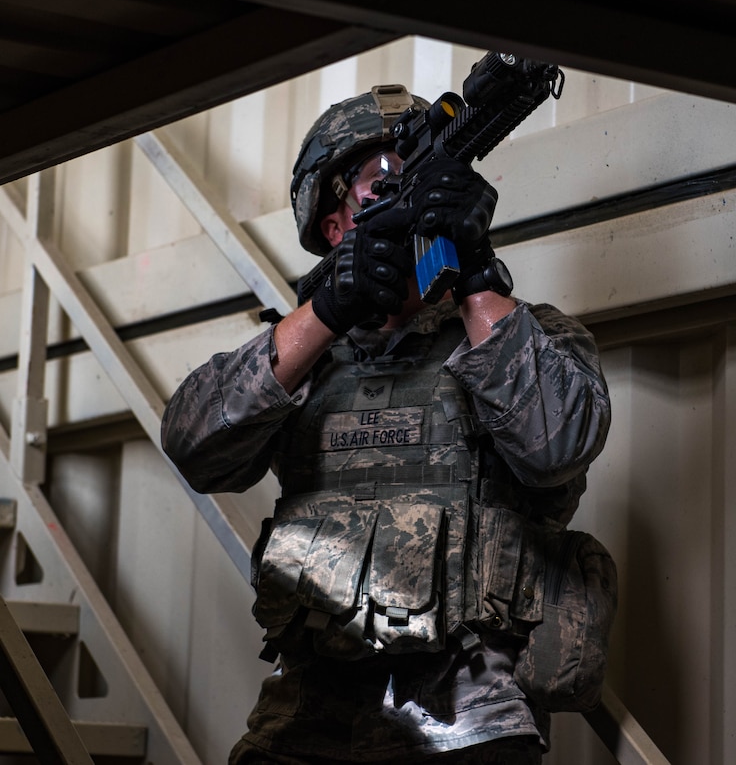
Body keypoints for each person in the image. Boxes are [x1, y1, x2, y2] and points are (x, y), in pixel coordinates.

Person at [161, 84, 612, 764]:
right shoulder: (299, 356)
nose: (404, 196)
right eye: (379, 183)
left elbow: (557, 447)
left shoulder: (523, 335)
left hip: (467, 714)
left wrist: (474, 273)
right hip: (309, 711)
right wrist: (329, 310)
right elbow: (194, 448)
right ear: (333, 225)